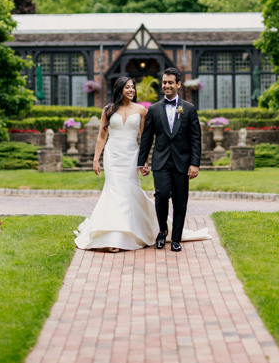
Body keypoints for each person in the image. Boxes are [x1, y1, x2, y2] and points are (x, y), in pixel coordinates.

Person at [74, 77, 158, 251]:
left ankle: (137, 229)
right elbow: (102, 136)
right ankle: (114, 236)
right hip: (112, 155)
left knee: (130, 190)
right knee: (114, 190)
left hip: (131, 155)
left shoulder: (141, 110)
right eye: (127, 87)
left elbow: (144, 138)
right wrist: (96, 159)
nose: (131, 90)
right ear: (120, 89)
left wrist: (145, 162)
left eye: (133, 87)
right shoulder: (108, 109)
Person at [137, 68, 207, 252]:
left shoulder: (189, 109)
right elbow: (147, 138)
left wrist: (194, 163)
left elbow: (195, 138)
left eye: (170, 82)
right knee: (160, 195)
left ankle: (176, 238)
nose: (166, 85)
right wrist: (141, 161)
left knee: (180, 200)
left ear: (178, 84)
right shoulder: (153, 109)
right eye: (164, 82)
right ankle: (162, 231)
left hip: (182, 163)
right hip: (160, 161)